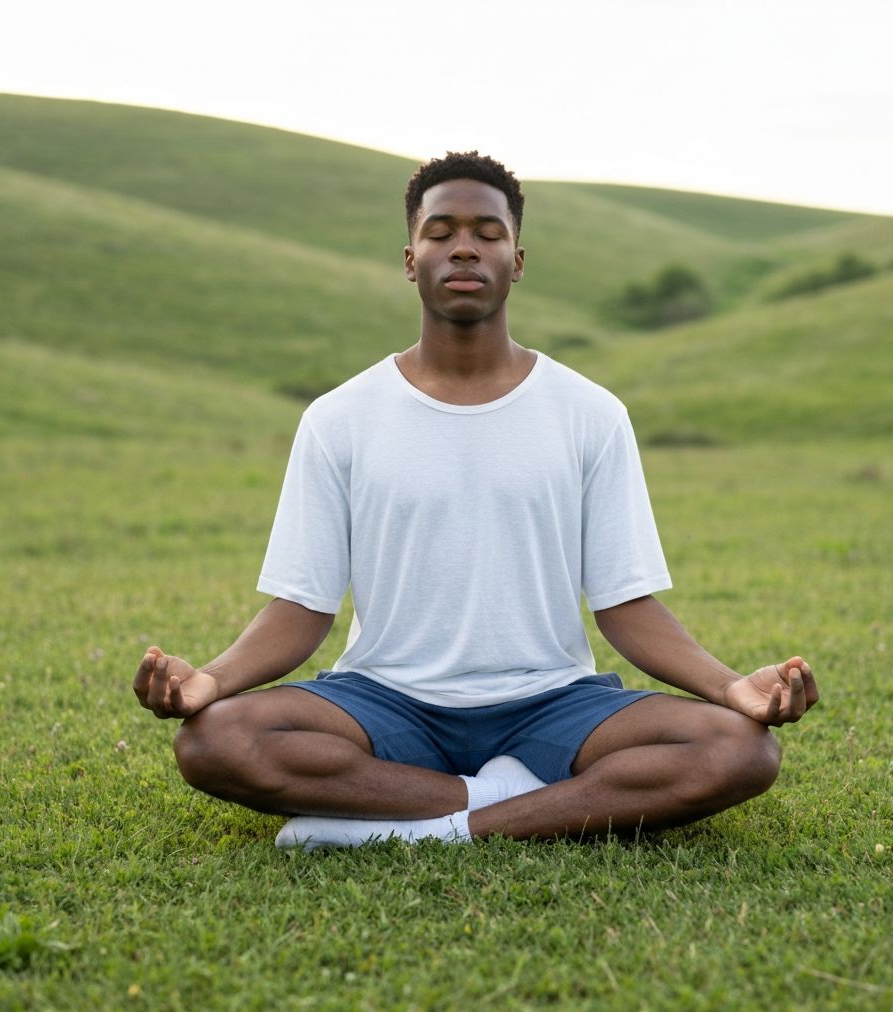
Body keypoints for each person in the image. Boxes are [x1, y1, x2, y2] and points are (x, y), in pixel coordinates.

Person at [132, 151, 819, 849]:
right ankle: (501, 801)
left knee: (740, 750)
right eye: (441, 231)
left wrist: (732, 689)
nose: (464, 246)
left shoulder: (589, 412)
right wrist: (209, 683)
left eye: (488, 232)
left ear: (517, 259)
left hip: (552, 704)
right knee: (214, 742)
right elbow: (302, 610)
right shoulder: (340, 417)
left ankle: (440, 827)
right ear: (410, 258)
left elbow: (625, 605)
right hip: (384, 700)